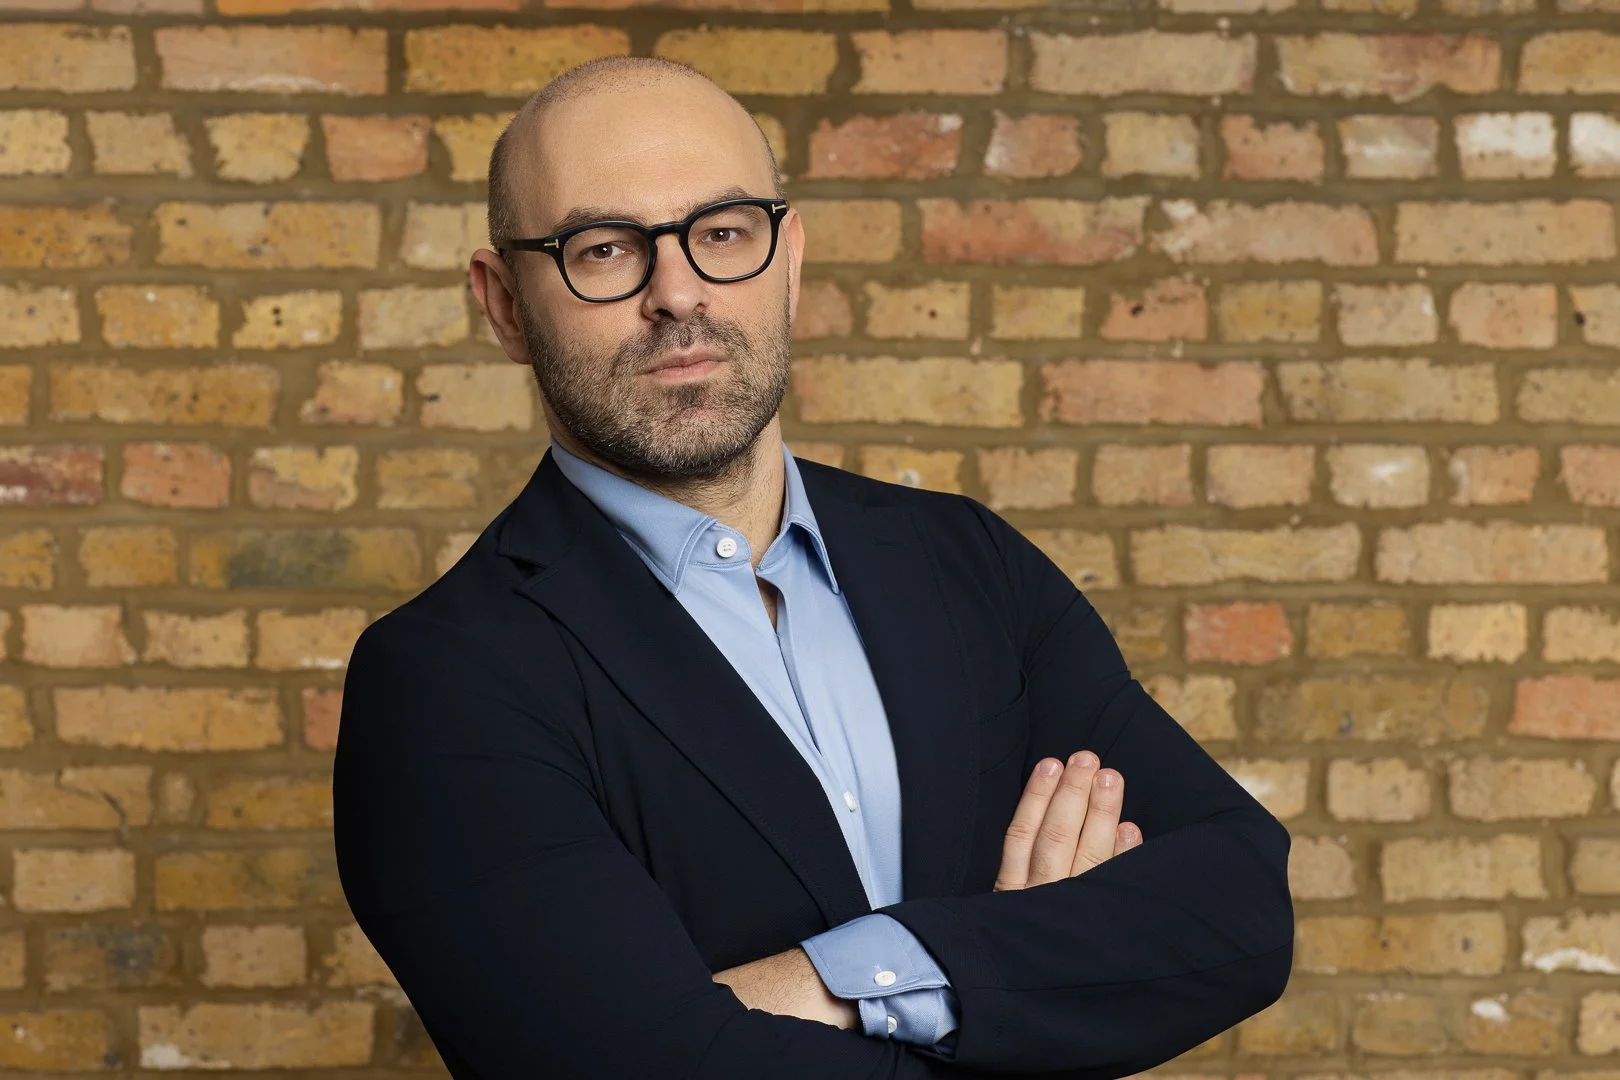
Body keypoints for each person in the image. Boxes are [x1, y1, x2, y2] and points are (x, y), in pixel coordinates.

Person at [331, 55, 1293, 1080]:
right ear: (506, 305)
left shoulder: (965, 562)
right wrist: (1031, 981)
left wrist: (836, 981)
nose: (679, 292)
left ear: (789, 259)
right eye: (602, 248)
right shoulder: (443, 679)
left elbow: (1236, 908)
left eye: (724, 233)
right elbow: (636, 1066)